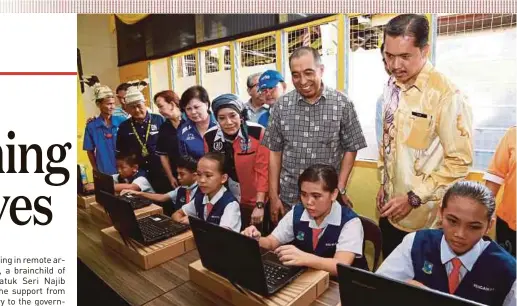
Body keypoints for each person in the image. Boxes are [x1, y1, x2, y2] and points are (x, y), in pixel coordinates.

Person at [376, 14, 473, 258]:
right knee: (389, 285)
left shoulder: (446, 95)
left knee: (418, 290)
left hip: (425, 222)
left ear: (425, 50)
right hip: (390, 212)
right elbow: (389, 141)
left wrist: (413, 198)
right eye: (389, 56)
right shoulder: (392, 85)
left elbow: (459, 163)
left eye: (405, 56)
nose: (395, 65)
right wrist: (384, 183)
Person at [262, 46, 367, 224]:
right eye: (296, 75)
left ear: (321, 70)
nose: (302, 81)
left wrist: (340, 188)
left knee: (324, 249)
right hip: (290, 199)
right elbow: (275, 152)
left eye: (309, 73)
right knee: (288, 248)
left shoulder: (342, 104)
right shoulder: (281, 106)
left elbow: (352, 147)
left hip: (327, 201)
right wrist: (274, 196)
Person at [376, 181, 516, 306]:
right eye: (453, 221)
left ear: (489, 226)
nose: (460, 234)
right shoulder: (415, 243)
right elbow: (378, 291)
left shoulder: (507, 269)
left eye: (474, 227)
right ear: (441, 213)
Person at [242, 164, 364, 276]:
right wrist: (256, 239)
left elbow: (340, 266)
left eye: (316, 196)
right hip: (308, 279)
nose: (308, 202)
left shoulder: (350, 222)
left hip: (339, 287)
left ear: (333, 194)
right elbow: (271, 242)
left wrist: (305, 258)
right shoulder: (298, 212)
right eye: (304, 194)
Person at [204, 93, 269, 229]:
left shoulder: (257, 132)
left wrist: (259, 204)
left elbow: (263, 171)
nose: (228, 122)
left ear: (241, 115)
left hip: (254, 200)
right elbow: (210, 170)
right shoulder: (209, 137)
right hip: (226, 201)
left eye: (232, 115)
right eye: (221, 118)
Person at [171, 152, 241, 232]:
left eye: (208, 175)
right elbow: (176, 214)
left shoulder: (230, 205)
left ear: (223, 178)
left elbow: (223, 237)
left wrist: (196, 224)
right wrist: (184, 221)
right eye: (199, 174)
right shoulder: (201, 197)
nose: (201, 180)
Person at [116, 87, 168, 194]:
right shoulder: (124, 127)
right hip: (139, 173)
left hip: (161, 171)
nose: (137, 110)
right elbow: (122, 152)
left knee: (164, 200)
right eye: (132, 107)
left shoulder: (159, 120)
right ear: (128, 109)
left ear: (145, 103)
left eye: (139, 106)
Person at [121, 156, 199, 213]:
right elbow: (162, 197)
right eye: (178, 173)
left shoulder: (202, 192)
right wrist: (139, 193)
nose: (178, 177)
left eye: (182, 174)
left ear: (194, 175)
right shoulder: (181, 189)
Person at [484, 126, 516, 257]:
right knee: (509, 271)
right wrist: (483, 213)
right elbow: (495, 177)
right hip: (510, 224)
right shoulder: (513, 134)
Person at [83, 84, 126, 175]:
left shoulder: (122, 121)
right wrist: (96, 170)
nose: (112, 107)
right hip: (105, 172)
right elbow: (90, 151)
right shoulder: (91, 126)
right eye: (109, 104)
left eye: (113, 103)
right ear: (98, 104)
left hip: (124, 172)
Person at [177, 86, 217, 161]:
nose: (193, 112)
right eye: (188, 109)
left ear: (207, 105)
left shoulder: (220, 124)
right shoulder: (183, 131)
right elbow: (185, 159)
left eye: (196, 107)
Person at [154, 90, 183, 189]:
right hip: (177, 175)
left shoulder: (190, 121)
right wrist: (171, 177)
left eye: (161, 106)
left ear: (171, 104)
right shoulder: (164, 128)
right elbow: (163, 155)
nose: (159, 111)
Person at [85, 153, 154, 193]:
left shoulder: (142, 178)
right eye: (117, 167)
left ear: (134, 168)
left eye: (122, 167)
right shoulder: (120, 176)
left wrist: (99, 186)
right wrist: (95, 184)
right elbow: (109, 179)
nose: (119, 170)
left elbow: (132, 187)